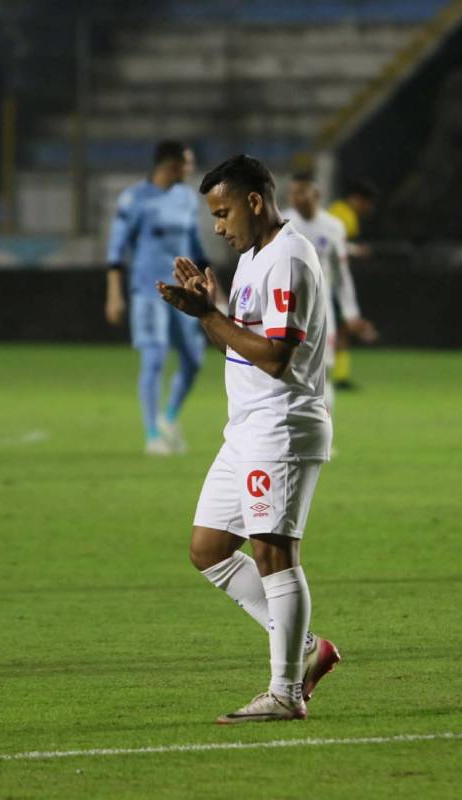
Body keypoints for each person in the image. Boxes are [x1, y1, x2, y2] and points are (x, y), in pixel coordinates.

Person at [158, 155, 340, 723]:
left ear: (255, 201)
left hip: (281, 425)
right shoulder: (254, 258)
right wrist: (211, 313)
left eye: (223, 212)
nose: (218, 226)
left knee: (274, 553)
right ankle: (308, 648)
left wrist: (208, 317)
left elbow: (278, 359)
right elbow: (241, 347)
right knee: (209, 549)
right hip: (246, 429)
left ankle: (285, 691)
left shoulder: (287, 258)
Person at [105, 141, 209, 455]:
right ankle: (152, 436)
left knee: (194, 358)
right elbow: (116, 251)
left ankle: (169, 417)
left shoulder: (186, 199)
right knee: (154, 358)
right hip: (149, 291)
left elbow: (194, 245)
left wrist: (207, 285)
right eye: (187, 164)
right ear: (170, 164)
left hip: (184, 293)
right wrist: (114, 295)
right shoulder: (134, 199)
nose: (190, 170)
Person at [284, 172, 377, 417]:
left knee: (322, 373)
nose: (296, 198)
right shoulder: (281, 223)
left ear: (317, 194)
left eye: (302, 191)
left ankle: (323, 436)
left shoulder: (333, 227)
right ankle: (287, 436)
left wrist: (351, 313)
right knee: (285, 374)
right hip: (285, 312)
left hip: (321, 313)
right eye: (293, 192)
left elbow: (342, 274)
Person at [326, 179, 377, 390]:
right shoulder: (343, 216)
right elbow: (332, 246)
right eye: (367, 202)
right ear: (356, 199)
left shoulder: (339, 211)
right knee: (340, 328)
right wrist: (357, 250)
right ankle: (335, 376)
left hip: (331, 280)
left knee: (343, 328)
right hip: (329, 281)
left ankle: (340, 376)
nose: (369, 208)